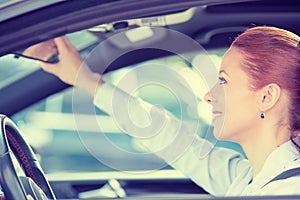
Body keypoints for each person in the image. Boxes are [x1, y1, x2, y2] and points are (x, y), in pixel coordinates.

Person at [40, 26, 300, 196]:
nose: (209, 96)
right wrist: (86, 80)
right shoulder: (250, 179)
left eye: (223, 81)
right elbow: (175, 141)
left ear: (267, 97)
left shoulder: (286, 190)